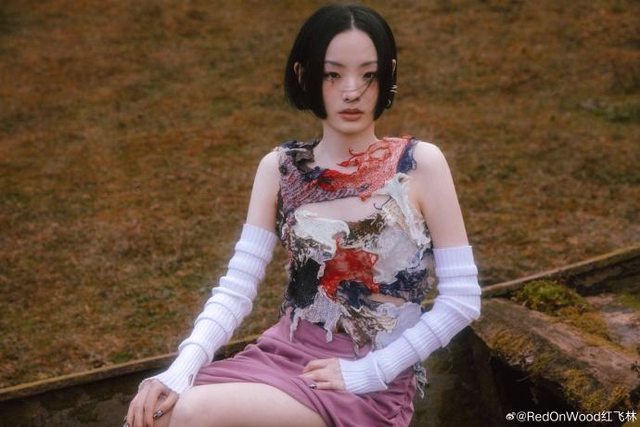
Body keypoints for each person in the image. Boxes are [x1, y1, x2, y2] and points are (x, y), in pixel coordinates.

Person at [124, 4, 481, 427]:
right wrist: (180, 369)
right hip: (284, 354)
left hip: (368, 380)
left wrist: (370, 372)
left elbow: (462, 299)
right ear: (304, 75)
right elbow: (237, 286)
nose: (352, 91)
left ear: (388, 75)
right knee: (153, 415)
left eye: (368, 75)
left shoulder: (420, 165)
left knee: (193, 412)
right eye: (332, 75)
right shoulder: (281, 169)